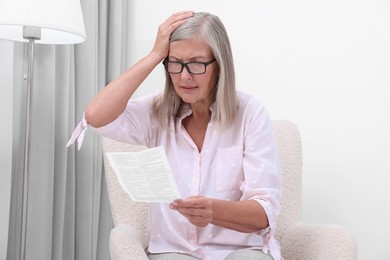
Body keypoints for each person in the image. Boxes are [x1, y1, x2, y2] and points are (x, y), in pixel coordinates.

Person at [67, 11, 281, 260]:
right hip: (173, 251)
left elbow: (264, 212)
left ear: (219, 65)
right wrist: (155, 54)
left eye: (197, 63)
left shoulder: (250, 113)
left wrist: (213, 211)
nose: (184, 76)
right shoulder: (158, 111)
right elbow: (95, 116)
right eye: (175, 63)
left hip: (240, 250)